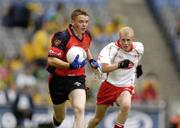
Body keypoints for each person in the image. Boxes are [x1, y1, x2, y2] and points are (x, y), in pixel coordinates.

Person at [46, 9, 99, 128]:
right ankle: (55, 119)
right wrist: (69, 65)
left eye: (86, 22)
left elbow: (85, 48)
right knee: (60, 118)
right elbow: (51, 60)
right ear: (73, 22)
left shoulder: (87, 35)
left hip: (77, 77)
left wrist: (91, 61)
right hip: (58, 80)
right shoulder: (62, 37)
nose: (84, 24)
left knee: (80, 109)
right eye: (81, 21)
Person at [87, 26, 144, 128]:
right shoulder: (110, 49)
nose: (126, 43)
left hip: (125, 86)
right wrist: (119, 65)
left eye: (128, 40)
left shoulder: (139, 48)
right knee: (97, 119)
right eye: (123, 40)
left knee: (126, 105)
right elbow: (103, 68)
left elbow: (137, 59)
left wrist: (138, 68)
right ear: (119, 38)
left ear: (133, 40)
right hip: (108, 86)